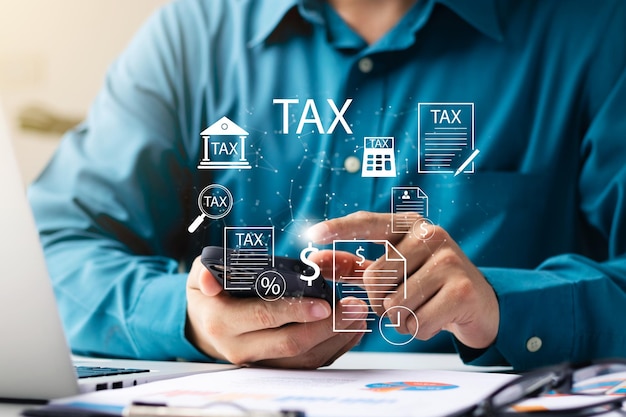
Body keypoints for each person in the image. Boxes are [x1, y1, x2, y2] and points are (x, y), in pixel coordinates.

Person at [27, 0, 626, 372]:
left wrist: (503, 304)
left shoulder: (599, 31)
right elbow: (47, 253)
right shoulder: (193, 34)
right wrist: (187, 318)